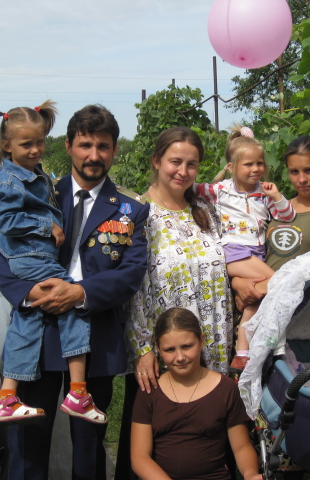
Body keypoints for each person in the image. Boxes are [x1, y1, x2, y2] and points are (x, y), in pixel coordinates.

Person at [0, 104, 150, 480]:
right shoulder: (38, 190)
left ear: (115, 150)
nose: (94, 155)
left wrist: (79, 294)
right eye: (85, 145)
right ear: (68, 146)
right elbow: (2, 255)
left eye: (103, 146)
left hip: (95, 335)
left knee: (89, 450)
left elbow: (130, 274)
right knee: (27, 445)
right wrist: (30, 292)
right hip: (38, 331)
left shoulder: (130, 209)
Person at [117, 126, 234, 480]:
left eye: (192, 164)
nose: (183, 171)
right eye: (175, 161)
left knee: (209, 445)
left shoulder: (207, 211)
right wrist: (143, 349)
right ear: (156, 161)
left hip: (210, 347)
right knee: (158, 449)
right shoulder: (138, 214)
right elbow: (132, 289)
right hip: (164, 351)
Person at [0, 101, 106, 425]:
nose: (35, 150)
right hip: (31, 256)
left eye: (40, 142)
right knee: (73, 303)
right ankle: (78, 393)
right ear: (7, 145)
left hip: (32, 256)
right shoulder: (10, 181)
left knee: (26, 320)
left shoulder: (34, 173)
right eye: (26, 144)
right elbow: (7, 221)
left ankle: (7, 396)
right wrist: (46, 226)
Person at [193, 125, 295, 372]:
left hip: (256, 254)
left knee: (253, 303)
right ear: (231, 167)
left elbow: (287, 216)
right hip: (234, 251)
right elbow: (190, 188)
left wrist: (278, 196)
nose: (255, 169)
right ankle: (278, 342)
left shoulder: (264, 193)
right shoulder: (221, 190)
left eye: (259, 163)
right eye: (248, 164)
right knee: (280, 282)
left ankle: (241, 354)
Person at [130, 307, 262, 480]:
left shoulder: (226, 389)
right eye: (170, 349)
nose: (179, 357)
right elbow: (140, 457)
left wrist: (250, 474)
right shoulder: (149, 391)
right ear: (158, 349)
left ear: (201, 341)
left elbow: (242, 447)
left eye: (187, 346)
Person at [232, 135, 310, 308]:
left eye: (309, 170)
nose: (301, 179)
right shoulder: (275, 206)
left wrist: (256, 288)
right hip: (258, 305)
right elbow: (248, 248)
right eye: (294, 172)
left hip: (300, 310)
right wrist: (237, 283)